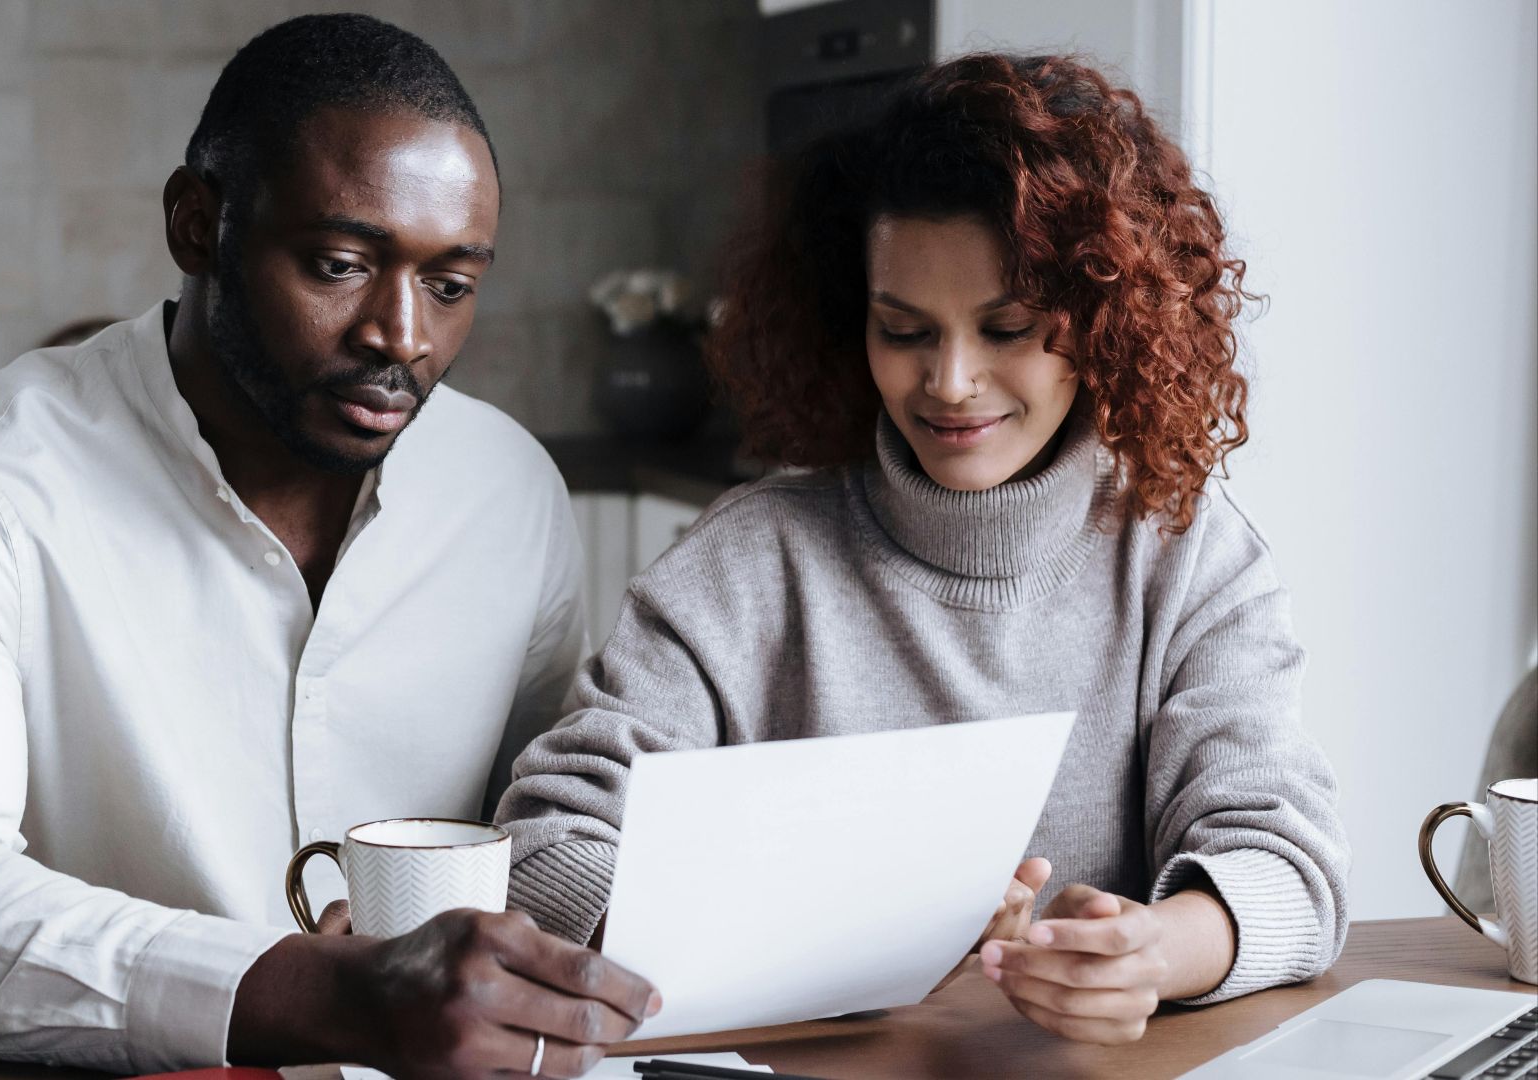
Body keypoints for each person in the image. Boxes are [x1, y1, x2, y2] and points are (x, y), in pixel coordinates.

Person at [0, 15, 658, 1078]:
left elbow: (536, 833)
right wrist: (316, 992)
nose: (402, 335)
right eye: (342, 264)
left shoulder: (509, 491)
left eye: (450, 285)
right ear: (197, 226)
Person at [497, 53, 1349, 1045]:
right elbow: (544, 841)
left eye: (1008, 328)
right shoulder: (748, 565)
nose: (949, 381)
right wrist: (840, 937)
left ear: (1105, 319)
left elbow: (1289, 862)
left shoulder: (1189, 556)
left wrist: (1155, 951)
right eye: (904, 330)